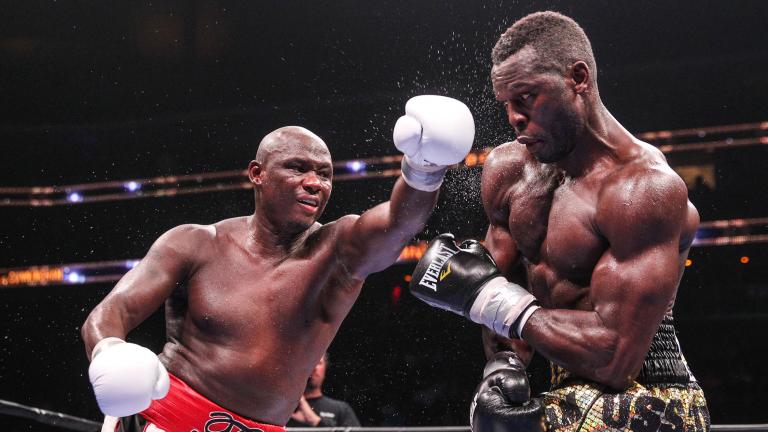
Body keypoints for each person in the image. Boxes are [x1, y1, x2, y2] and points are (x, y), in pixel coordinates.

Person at [81, 95, 475, 432]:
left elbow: (397, 223)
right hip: (164, 420)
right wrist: (109, 352)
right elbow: (111, 313)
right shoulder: (194, 242)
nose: (315, 183)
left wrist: (424, 169)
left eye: (325, 174)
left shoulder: (336, 251)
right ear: (257, 174)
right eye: (298, 168)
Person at [407, 11, 710, 432]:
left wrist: (492, 298)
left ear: (578, 79)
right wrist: (502, 369)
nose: (514, 117)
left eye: (527, 97)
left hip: (647, 396)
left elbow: (615, 356)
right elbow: (497, 296)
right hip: (562, 386)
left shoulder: (641, 190)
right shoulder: (509, 170)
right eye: (507, 104)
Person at [287, 352, 361, 427]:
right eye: (309, 362)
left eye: (318, 363)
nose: (314, 367)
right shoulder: (281, 409)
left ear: (325, 368)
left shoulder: (341, 409)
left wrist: (316, 421)